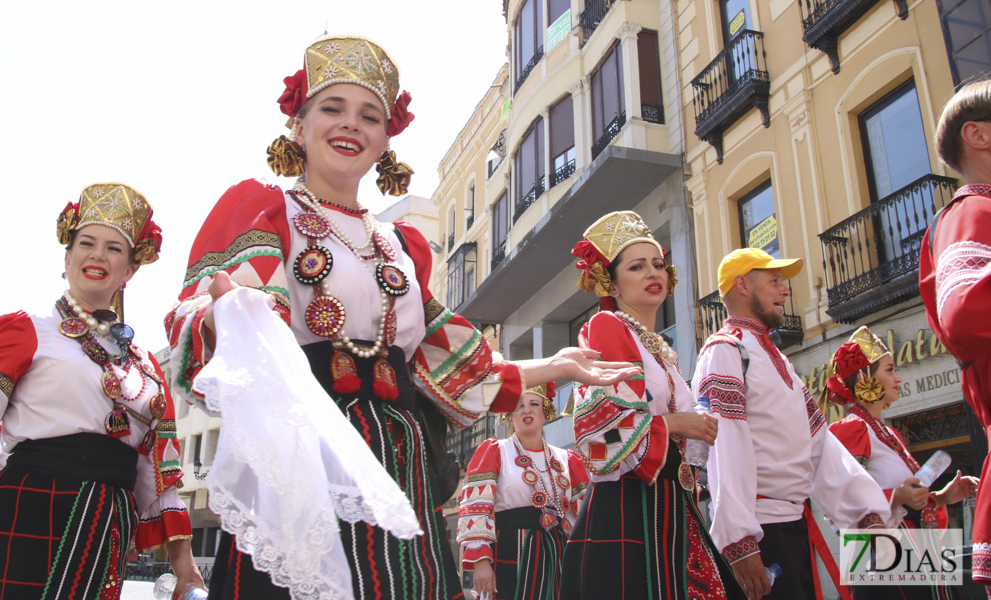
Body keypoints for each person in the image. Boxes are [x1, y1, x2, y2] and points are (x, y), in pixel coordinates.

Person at [164, 35, 639, 600]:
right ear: (299, 124)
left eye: (370, 116)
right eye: (332, 108)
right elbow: (217, 317)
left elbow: (456, 364)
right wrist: (227, 316)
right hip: (309, 443)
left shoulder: (400, 245)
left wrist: (557, 365)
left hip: (399, 455)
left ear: (386, 139)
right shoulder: (269, 212)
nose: (351, 125)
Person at [0, 183, 204, 599]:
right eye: (86, 243)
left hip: (107, 522)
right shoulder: (28, 328)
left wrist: (185, 566)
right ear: (67, 259)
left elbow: (157, 473)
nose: (97, 255)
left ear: (129, 270)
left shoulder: (143, 364)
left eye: (114, 248)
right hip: (33, 504)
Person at [558, 211, 745, 600]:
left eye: (659, 264)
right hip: (630, 504)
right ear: (612, 281)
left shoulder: (659, 346)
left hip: (670, 501)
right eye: (637, 266)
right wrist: (677, 424)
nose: (653, 273)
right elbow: (600, 439)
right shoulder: (607, 326)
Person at [694, 248, 894, 600]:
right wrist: (740, 541)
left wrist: (865, 512)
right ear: (742, 285)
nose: (784, 291)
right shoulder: (725, 351)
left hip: (792, 526)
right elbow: (725, 446)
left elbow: (819, 444)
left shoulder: (779, 361)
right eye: (774, 281)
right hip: (761, 533)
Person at [826, 326, 979, 600]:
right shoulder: (851, 429)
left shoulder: (888, 433)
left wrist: (942, 497)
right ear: (865, 378)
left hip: (910, 550)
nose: (898, 378)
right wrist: (898, 495)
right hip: (878, 554)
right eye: (889, 370)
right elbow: (841, 496)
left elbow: (902, 501)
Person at [919, 76, 991, 587]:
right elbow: (843, 495)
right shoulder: (972, 212)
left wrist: (935, 498)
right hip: (886, 541)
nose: (895, 380)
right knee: (899, 592)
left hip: (908, 536)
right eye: (882, 373)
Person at [457, 382, 590, 600]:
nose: (526, 410)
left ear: (545, 411)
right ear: (510, 414)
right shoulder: (495, 452)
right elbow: (475, 510)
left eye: (534, 404)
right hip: (511, 552)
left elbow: (581, 516)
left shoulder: (567, 460)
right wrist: (481, 562)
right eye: (519, 405)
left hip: (559, 555)